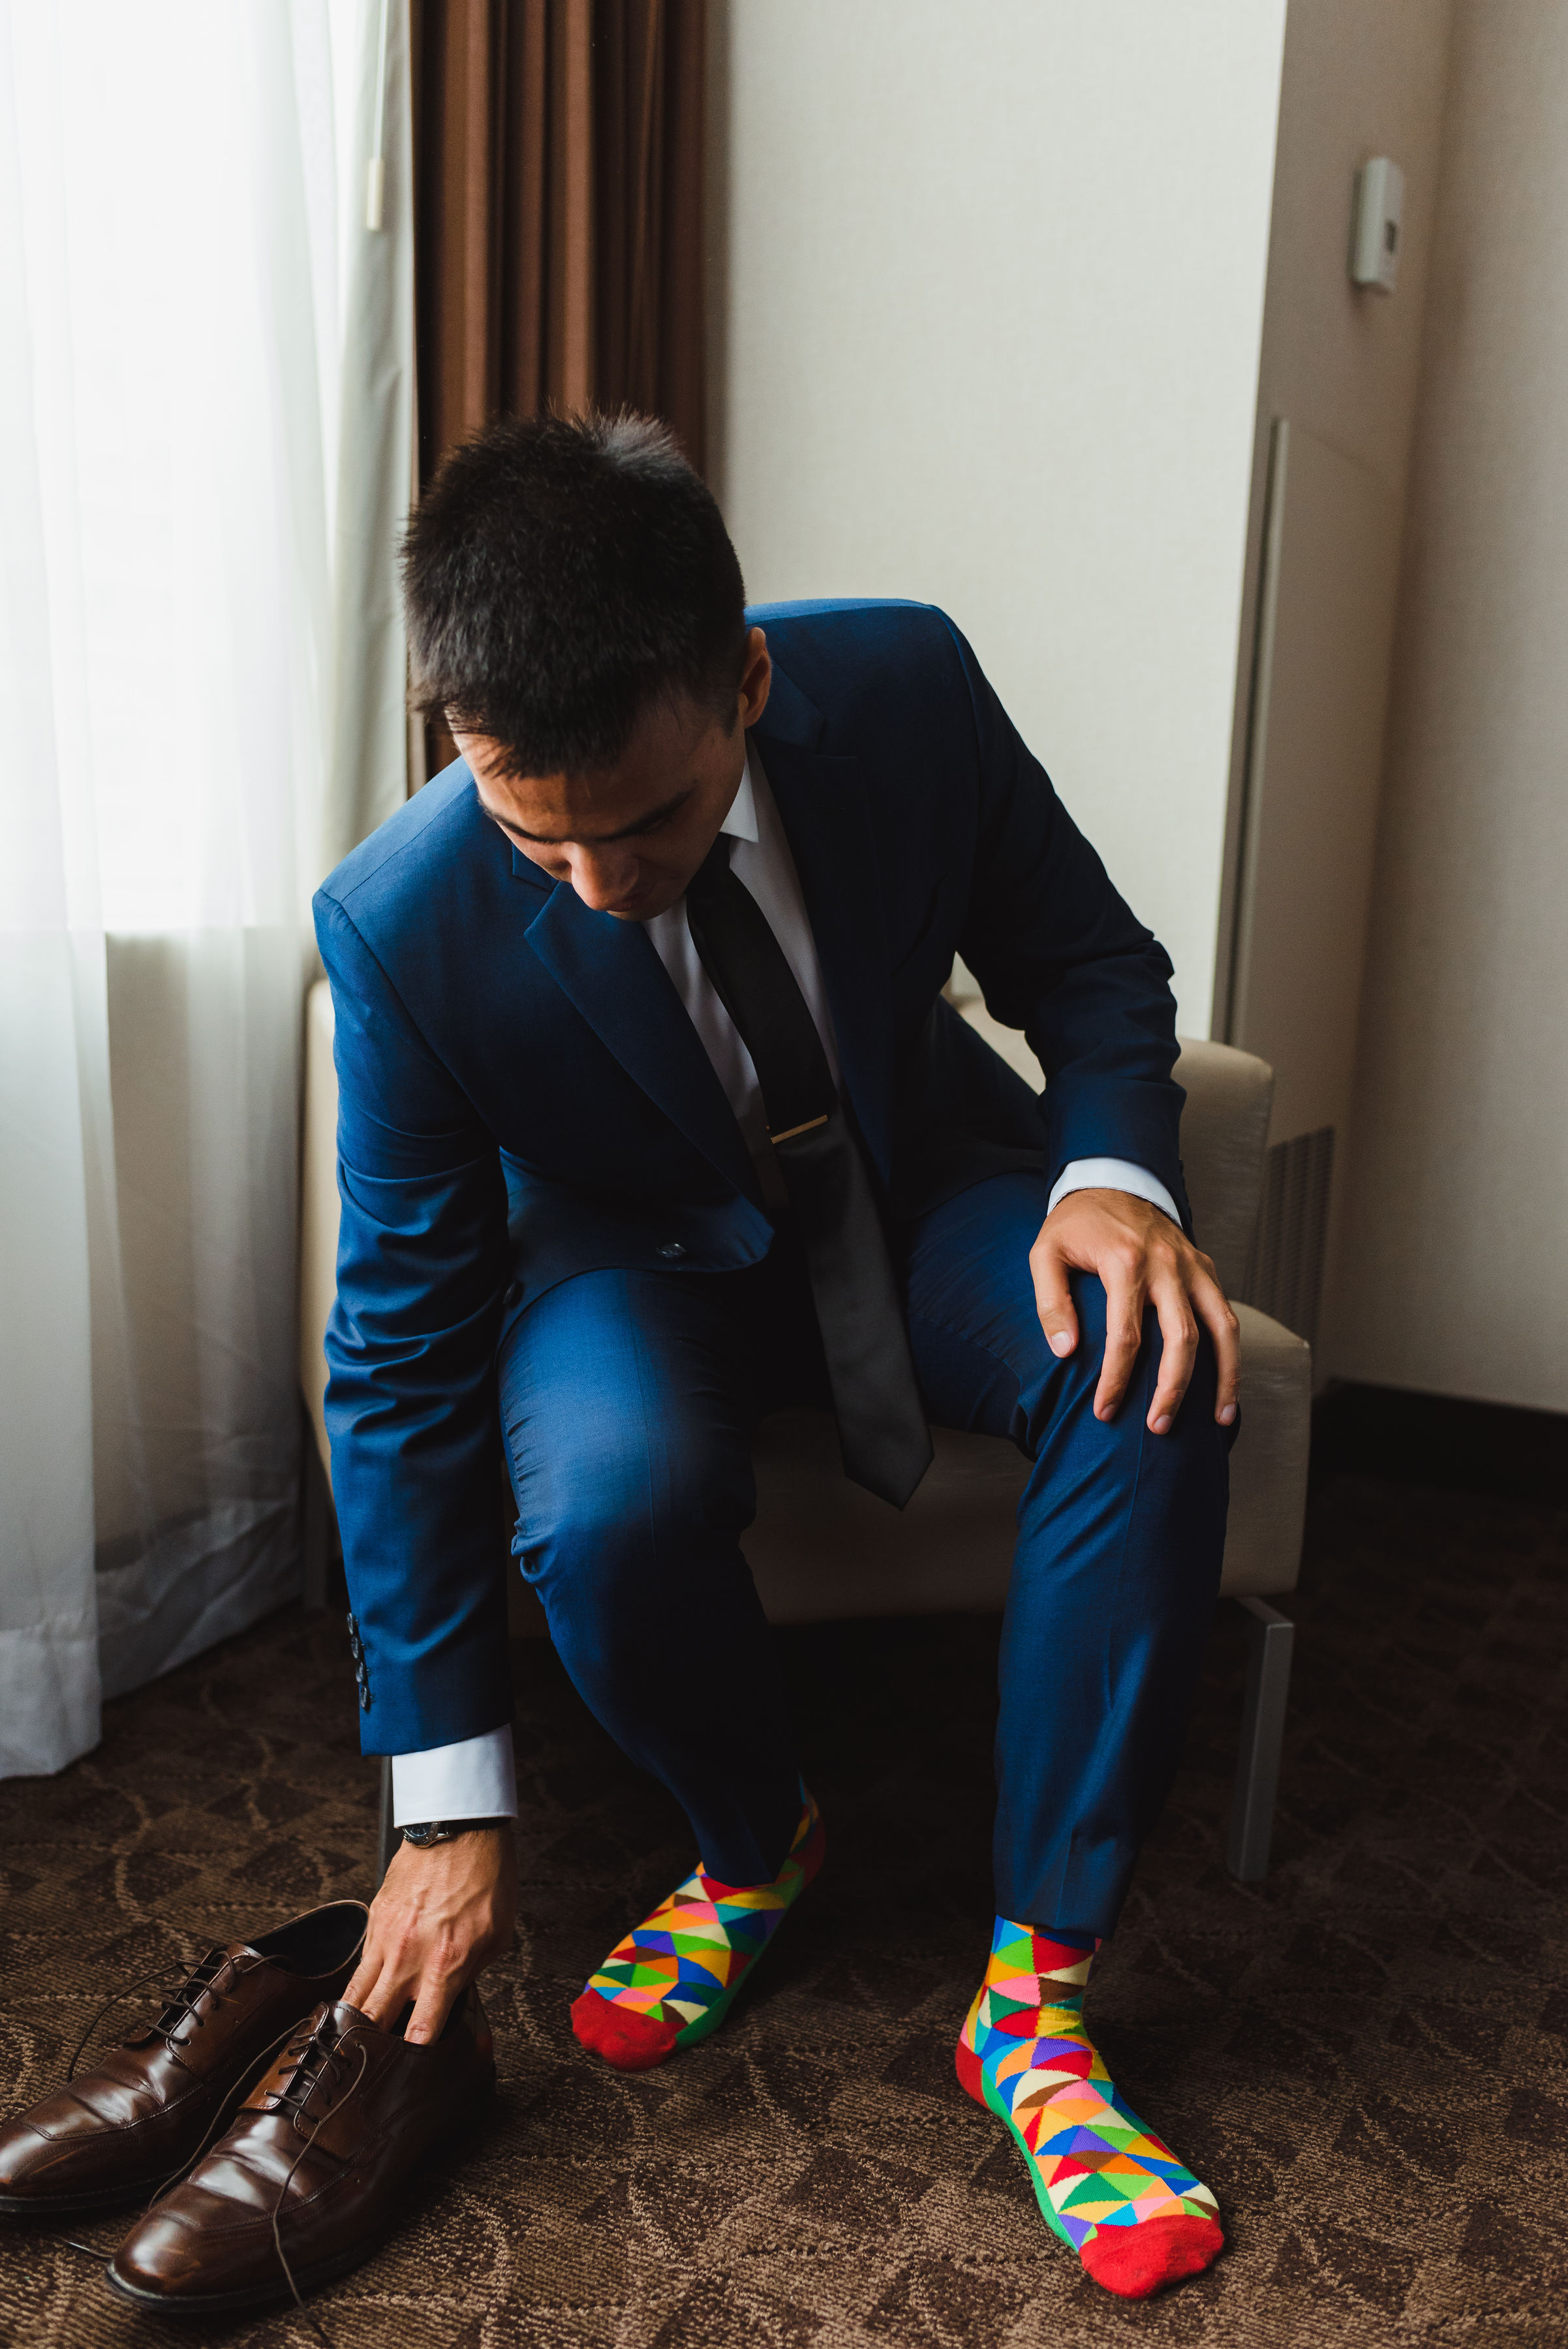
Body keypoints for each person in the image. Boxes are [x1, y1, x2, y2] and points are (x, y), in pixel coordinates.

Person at [216, 411, 1243, 2303]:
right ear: (459, 742)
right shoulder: (403, 922)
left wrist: (1110, 1178)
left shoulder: (905, 684)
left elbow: (1086, 961)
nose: (604, 882)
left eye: (658, 822)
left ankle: (1037, 2001)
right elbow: (401, 1349)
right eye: (545, 837)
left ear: (746, 681)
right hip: (627, 1255)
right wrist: (441, 1800)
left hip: (916, 1180)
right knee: (603, 1503)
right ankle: (753, 1841)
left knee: (1144, 1363)